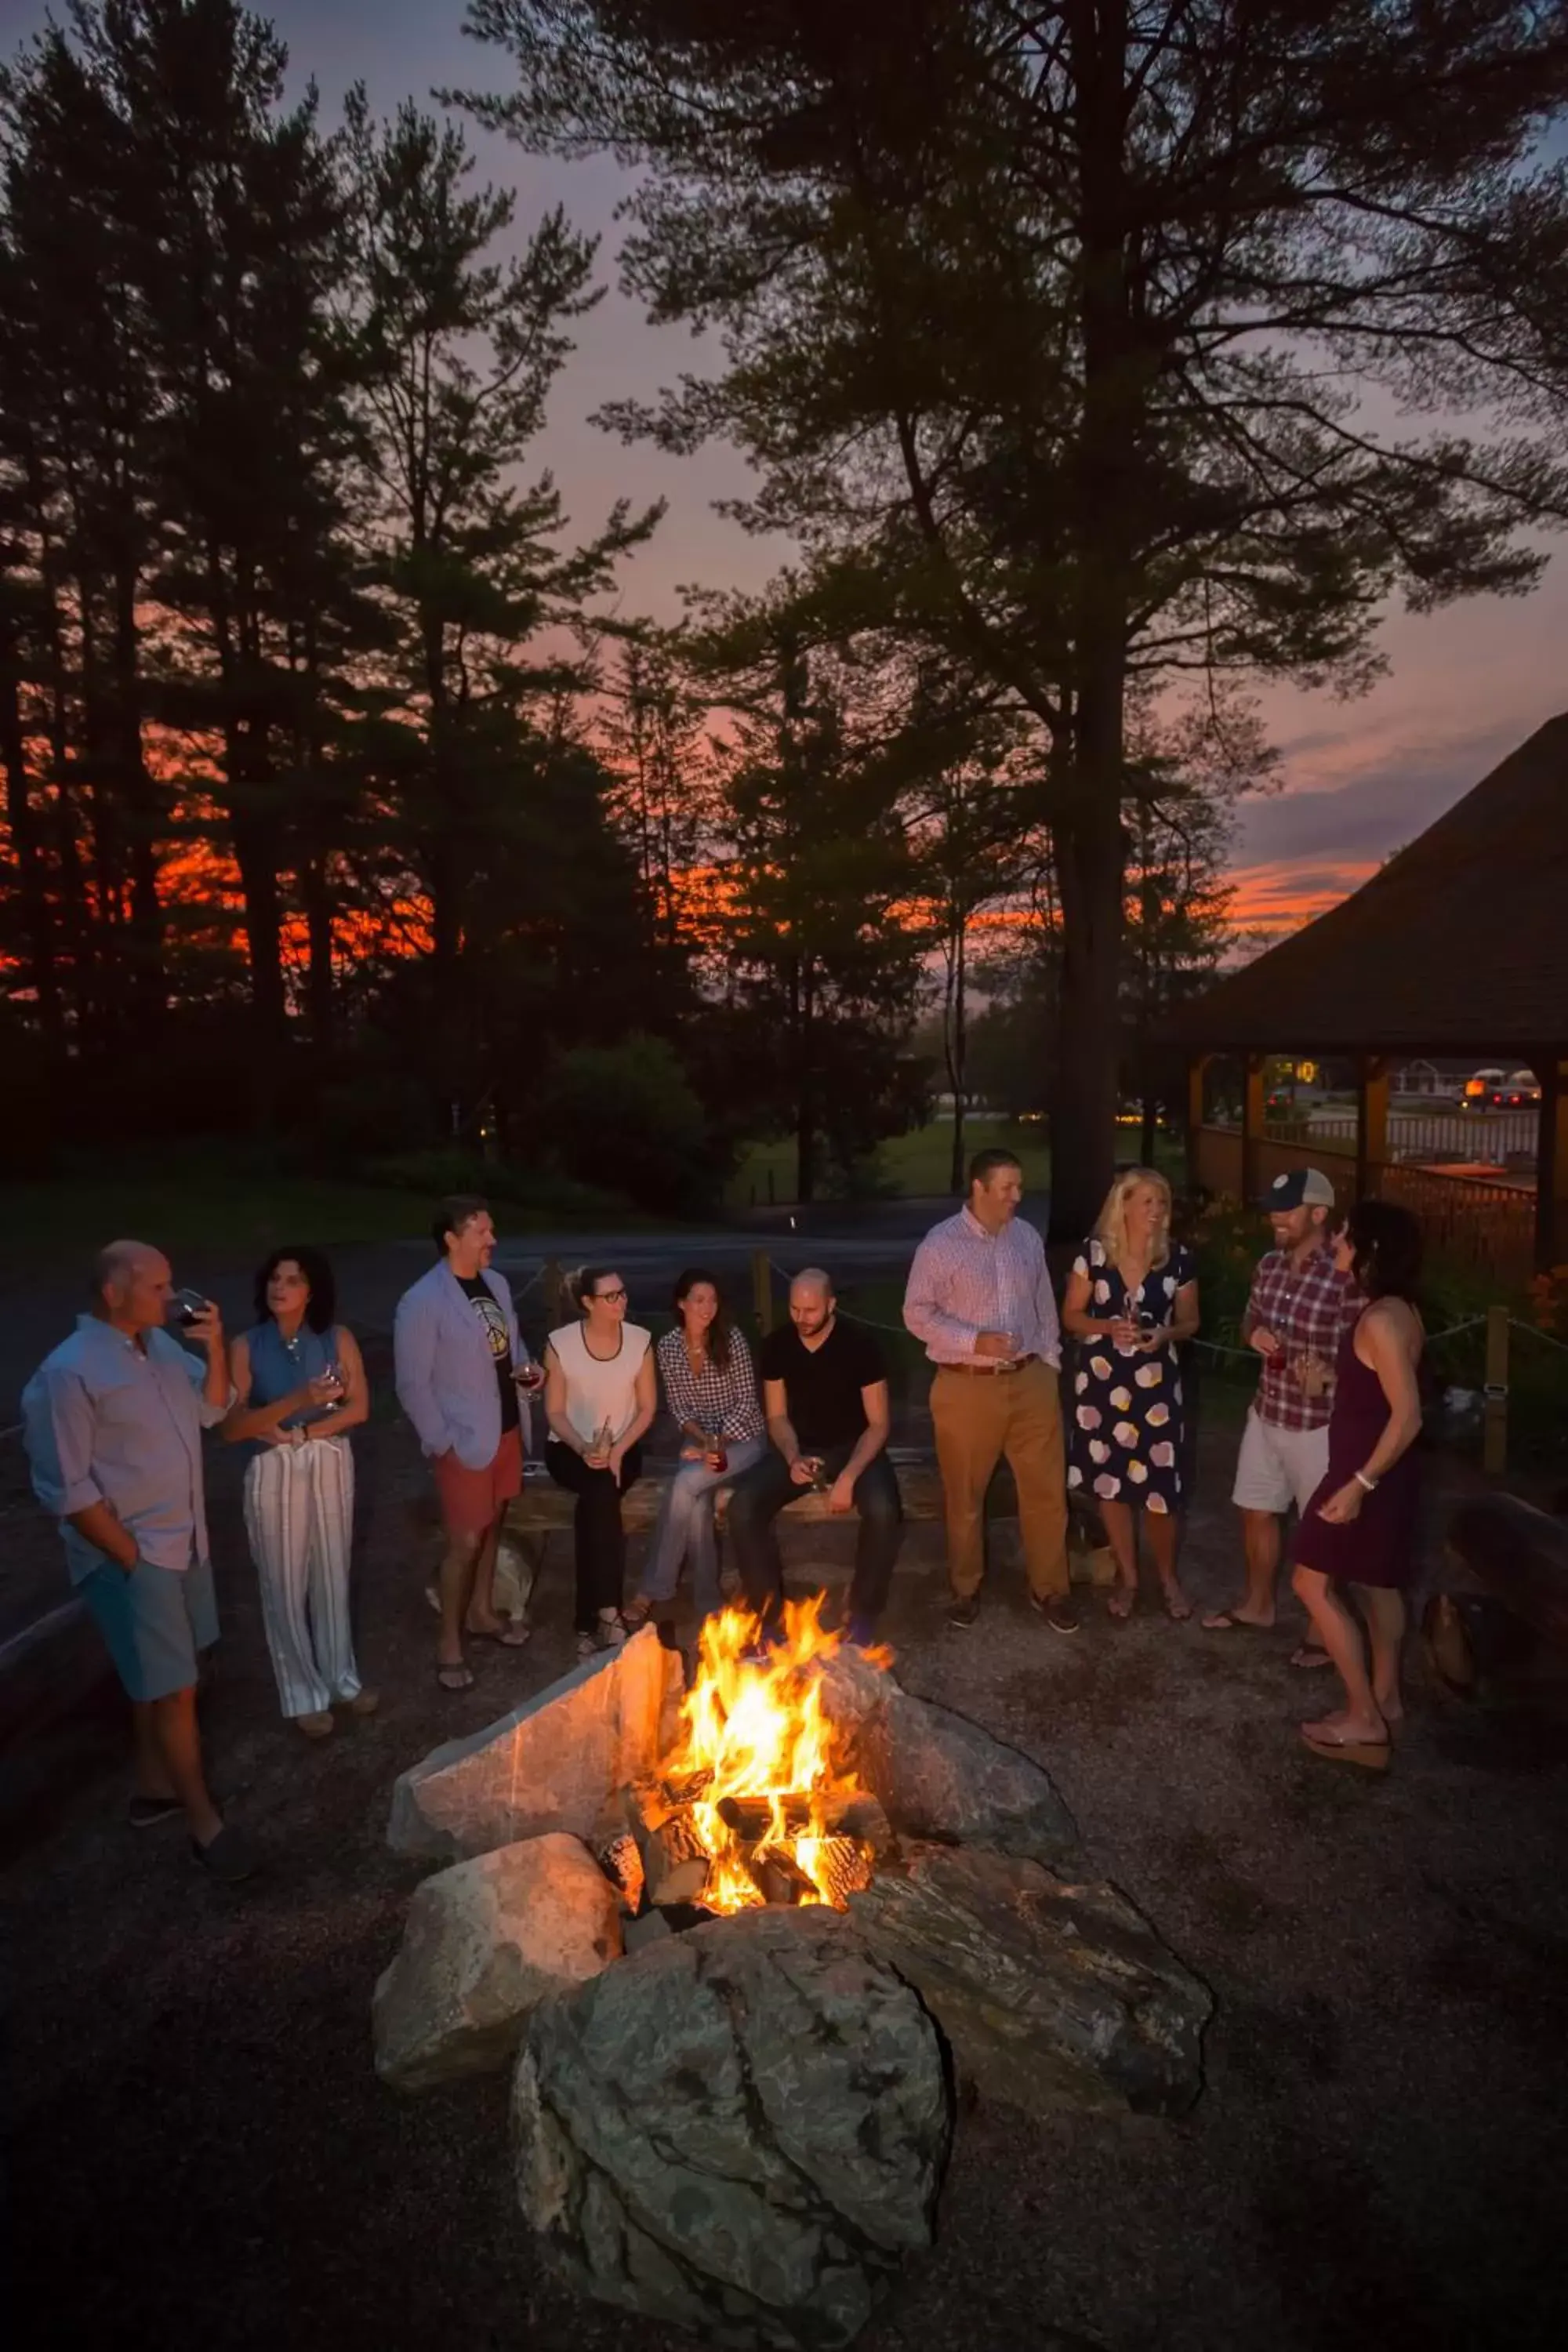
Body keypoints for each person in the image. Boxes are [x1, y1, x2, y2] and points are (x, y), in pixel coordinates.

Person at [20, 1242, 253, 1881]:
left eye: (170, 1285)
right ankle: (205, 1825)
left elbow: (211, 1411)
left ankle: (155, 1789)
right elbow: (66, 1489)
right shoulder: (69, 1373)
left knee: (166, 1675)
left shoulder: (160, 1349)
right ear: (114, 1293)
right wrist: (130, 1557)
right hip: (136, 1552)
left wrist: (211, 1347)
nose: (172, 1298)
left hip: (187, 1538)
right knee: (176, 1688)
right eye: (157, 1288)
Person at [904, 1148, 1077, 1633]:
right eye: (1006, 1187)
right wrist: (973, 1340)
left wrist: (1050, 1360)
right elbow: (915, 1313)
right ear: (978, 1188)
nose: (1016, 1197)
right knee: (964, 1495)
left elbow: (1044, 1301)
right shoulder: (941, 1244)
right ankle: (965, 1587)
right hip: (966, 1387)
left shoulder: (1025, 1237)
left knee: (1046, 1493)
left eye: (1019, 1186)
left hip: (1032, 1383)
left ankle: (1051, 1589)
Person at [1201, 1167, 1363, 1664]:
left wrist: (1331, 1377)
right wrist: (1254, 1334)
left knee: (1321, 1528)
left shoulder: (1344, 1275)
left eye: (1287, 1209)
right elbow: (1253, 1316)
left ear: (1318, 1214)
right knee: (1256, 1510)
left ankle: (1321, 1626)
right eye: (1273, 1206)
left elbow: (1368, 1353)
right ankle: (1259, 1605)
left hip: (1321, 1425)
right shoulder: (1269, 1265)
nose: (1276, 1217)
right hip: (1267, 1410)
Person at [1291, 1201, 1426, 1769]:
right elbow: (1376, 1397)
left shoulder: (1379, 1320)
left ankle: (1363, 1720)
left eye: (1345, 1236)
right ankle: (1388, 1698)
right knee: (1378, 1583)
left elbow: (1408, 1415)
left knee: (1309, 1585)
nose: (1335, 1242)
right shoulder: (1399, 1310)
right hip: (1383, 1474)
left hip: (1365, 1476)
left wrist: (1358, 1485)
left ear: (1369, 1248)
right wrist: (1327, 1383)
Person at [222, 1247, 376, 1737]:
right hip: (272, 1465)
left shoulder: (337, 1338)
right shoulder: (246, 1346)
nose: (279, 1287)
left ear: (312, 1291)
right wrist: (296, 1405)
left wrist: (306, 1431)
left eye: (292, 1279)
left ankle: (342, 1680)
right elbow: (234, 1426)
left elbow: (359, 1408)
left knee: (333, 1570)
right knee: (283, 1580)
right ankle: (302, 1693)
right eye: (274, 1278)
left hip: (326, 1453)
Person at [394, 1196, 540, 1693]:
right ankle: (448, 1644)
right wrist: (442, 1442)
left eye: (491, 1231)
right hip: (462, 1439)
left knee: (495, 1521)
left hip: (504, 1427)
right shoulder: (422, 1301)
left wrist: (529, 1371)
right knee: (465, 1542)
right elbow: (412, 1384)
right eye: (482, 1233)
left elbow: (510, 1346)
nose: (492, 1241)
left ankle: (481, 1612)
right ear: (452, 1240)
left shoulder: (495, 1284)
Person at [728, 1268, 901, 1647]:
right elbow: (776, 1416)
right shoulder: (777, 1345)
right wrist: (792, 1457)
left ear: (831, 1305)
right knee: (743, 1507)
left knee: (884, 1509)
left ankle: (863, 1612)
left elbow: (878, 1425)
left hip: (854, 1447)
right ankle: (769, 1619)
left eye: (810, 1310)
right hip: (800, 1446)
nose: (801, 1318)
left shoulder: (861, 1346)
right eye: (794, 1309)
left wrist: (850, 1476)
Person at [1062, 1167, 1202, 1620]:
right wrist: (1106, 1327)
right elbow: (1072, 1316)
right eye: (1148, 1202)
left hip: (1157, 1387)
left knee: (1161, 1490)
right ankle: (1129, 1577)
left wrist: (1166, 1334)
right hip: (1104, 1384)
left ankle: (1167, 1578)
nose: (1158, 1212)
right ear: (1123, 1205)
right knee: (1113, 1485)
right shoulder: (1094, 1256)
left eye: (1162, 1203)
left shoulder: (1178, 1259)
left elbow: (1191, 1322)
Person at [626, 1269, 766, 1628]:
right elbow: (679, 1407)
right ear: (682, 1303)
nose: (708, 1308)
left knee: (687, 1484)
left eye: (713, 1300)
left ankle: (652, 1588)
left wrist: (715, 1446)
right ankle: (708, 1600)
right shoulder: (670, 1346)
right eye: (700, 1300)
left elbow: (747, 1403)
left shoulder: (732, 1340)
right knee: (697, 1502)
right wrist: (702, 1443)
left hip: (743, 1438)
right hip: (700, 1439)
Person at [543, 1266, 658, 1657]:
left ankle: (587, 1621)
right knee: (598, 1490)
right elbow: (555, 1412)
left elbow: (647, 1408)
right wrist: (583, 1448)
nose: (621, 1301)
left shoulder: (640, 1341)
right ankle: (607, 1612)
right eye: (610, 1296)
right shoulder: (560, 1343)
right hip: (569, 1447)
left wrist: (619, 1450)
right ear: (588, 1303)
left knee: (598, 1494)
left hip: (623, 1447)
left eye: (622, 1292)